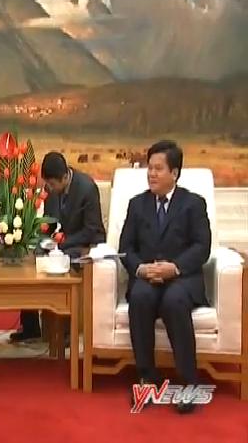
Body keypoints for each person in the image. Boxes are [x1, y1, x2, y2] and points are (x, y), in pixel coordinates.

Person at [119, 140, 211, 414]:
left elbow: (202, 247)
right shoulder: (137, 205)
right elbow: (126, 248)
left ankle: (189, 381)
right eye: (149, 168)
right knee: (140, 296)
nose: (151, 174)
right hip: (147, 276)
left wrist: (175, 267)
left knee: (174, 300)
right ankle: (147, 377)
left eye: (158, 169)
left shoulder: (193, 204)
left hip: (181, 278)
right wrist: (141, 269)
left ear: (175, 173)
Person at [10, 151, 106, 342]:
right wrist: (40, 241)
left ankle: (67, 329)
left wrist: (59, 244)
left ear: (64, 177)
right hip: (62, 243)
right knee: (34, 258)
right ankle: (31, 327)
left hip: (85, 244)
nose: (50, 189)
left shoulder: (87, 188)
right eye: (48, 184)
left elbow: (92, 229)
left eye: (53, 184)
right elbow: (49, 223)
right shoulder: (51, 189)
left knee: (63, 263)